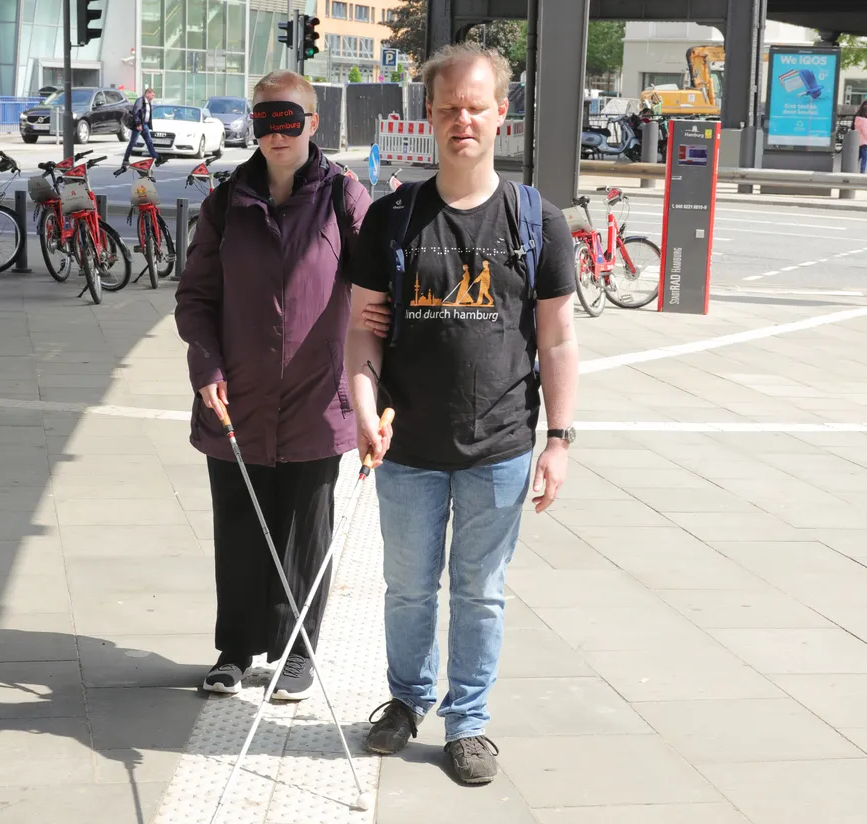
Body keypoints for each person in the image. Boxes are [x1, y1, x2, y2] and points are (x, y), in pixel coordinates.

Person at [345, 43, 579, 784]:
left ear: (501, 114)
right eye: (448, 108)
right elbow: (361, 331)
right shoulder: (391, 219)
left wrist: (560, 440)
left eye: (476, 106)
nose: (462, 120)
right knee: (409, 586)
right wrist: (360, 408)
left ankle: (468, 722)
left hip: (502, 448)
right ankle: (407, 701)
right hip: (406, 446)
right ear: (430, 117)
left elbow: (558, 338)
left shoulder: (536, 219)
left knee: (479, 591)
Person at [174, 71, 371, 699]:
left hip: (318, 401)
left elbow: (375, 294)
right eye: (264, 119)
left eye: (290, 118)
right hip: (236, 400)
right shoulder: (225, 201)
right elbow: (196, 298)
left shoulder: (344, 196)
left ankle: (296, 653)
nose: (277, 132)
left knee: (304, 532)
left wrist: (375, 386)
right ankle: (234, 649)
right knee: (239, 527)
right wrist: (206, 366)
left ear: (314, 123)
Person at [122, 87, 159, 167]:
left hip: (144, 125)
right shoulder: (140, 101)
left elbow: (146, 114)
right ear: (147, 94)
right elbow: (135, 112)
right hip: (138, 125)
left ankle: (156, 158)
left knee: (149, 141)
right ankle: (125, 159)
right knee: (133, 143)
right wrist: (138, 124)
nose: (153, 97)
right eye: (152, 95)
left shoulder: (148, 102)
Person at [854, 101, 867, 174]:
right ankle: (862, 172)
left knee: (858, 157)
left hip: (858, 141)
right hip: (865, 142)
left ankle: (851, 169)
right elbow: (865, 131)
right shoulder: (865, 121)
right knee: (865, 159)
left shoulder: (857, 119)